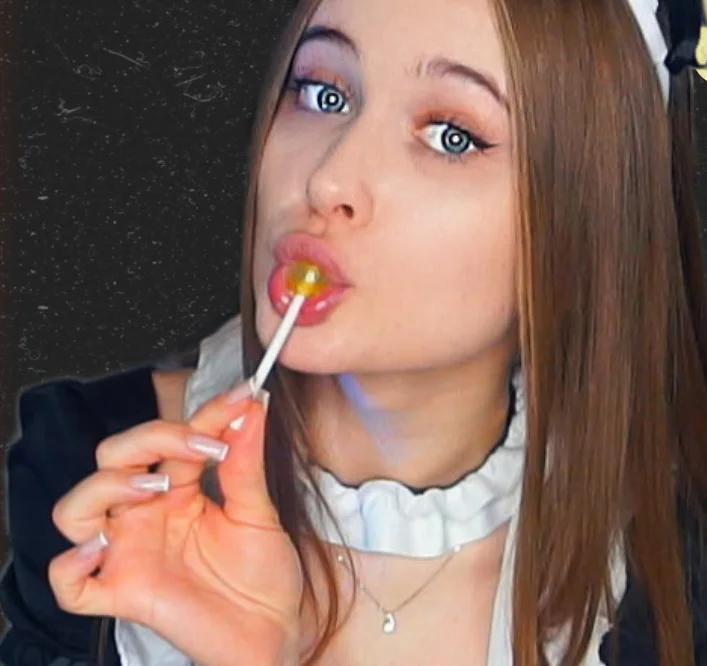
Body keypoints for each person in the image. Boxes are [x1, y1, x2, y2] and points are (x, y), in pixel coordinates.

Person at [2, 0, 707, 664]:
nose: (327, 180)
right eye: (322, 94)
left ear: (584, 227)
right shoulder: (94, 488)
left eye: (450, 136)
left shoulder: (667, 566)